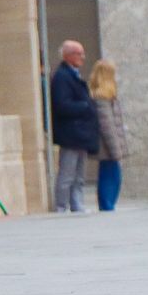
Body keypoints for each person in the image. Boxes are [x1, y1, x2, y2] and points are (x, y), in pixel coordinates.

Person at [48, 41, 98, 212]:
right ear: (67, 56)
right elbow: (61, 105)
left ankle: (77, 204)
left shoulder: (73, 74)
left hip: (80, 133)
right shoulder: (62, 77)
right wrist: (85, 106)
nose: (82, 57)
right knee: (67, 173)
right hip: (70, 133)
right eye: (78, 53)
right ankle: (61, 206)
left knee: (79, 174)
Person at [89, 59, 128, 210]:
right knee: (111, 176)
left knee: (112, 174)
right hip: (106, 145)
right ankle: (107, 205)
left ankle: (108, 204)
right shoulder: (102, 97)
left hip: (108, 145)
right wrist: (115, 149)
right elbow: (107, 125)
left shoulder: (106, 96)